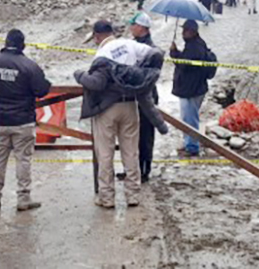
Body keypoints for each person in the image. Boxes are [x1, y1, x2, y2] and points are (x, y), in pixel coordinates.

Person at [75, 20, 159, 208]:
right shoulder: (130, 44)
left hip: (108, 108)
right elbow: (155, 54)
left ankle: (107, 197)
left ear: (97, 36)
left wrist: (80, 75)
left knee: (105, 152)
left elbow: (96, 83)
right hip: (130, 105)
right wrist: (144, 77)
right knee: (131, 151)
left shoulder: (102, 54)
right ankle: (133, 195)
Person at [0, 29, 52, 212]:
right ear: (22, 45)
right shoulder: (29, 66)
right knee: (23, 160)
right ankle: (23, 199)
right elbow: (42, 90)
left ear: (5, 42)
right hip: (23, 120)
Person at [127, 13, 167, 183]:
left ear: (141, 27)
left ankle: (144, 170)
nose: (130, 27)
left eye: (133, 25)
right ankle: (132, 169)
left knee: (145, 134)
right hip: (131, 95)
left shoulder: (150, 51)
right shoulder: (133, 45)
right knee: (130, 134)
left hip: (146, 95)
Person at [170, 20, 215, 156]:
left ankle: (192, 146)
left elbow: (184, 64)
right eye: (183, 30)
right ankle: (189, 142)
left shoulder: (195, 47)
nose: (183, 33)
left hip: (191, 89)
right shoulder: (195, 44)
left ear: (193, 32)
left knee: (190, 119)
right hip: (193, 88)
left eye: (186, 30)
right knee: (187, 117)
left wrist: (174, 53)